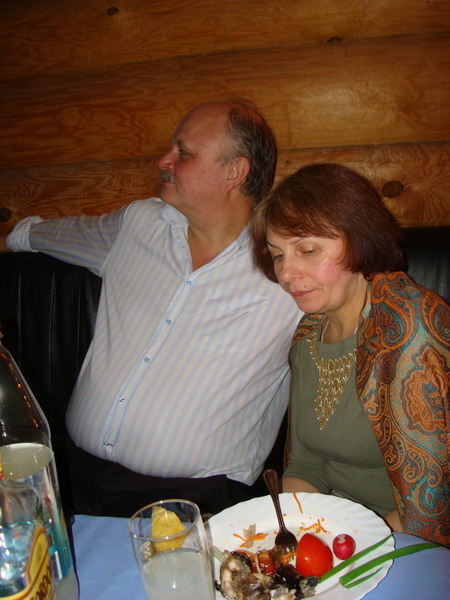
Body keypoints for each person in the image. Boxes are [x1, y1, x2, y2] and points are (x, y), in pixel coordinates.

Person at [0, 99, 301, 517]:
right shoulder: (138, 224)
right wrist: (13, 237)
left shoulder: (290, 268)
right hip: (72, 478)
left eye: (184, 152)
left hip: (198, 503)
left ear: (234, 172)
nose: (164, 161)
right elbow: (41, 235)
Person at [251, 162, 449, 547]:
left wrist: (343, 549)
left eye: (308, 250)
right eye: (277, 255)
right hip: (335, 533)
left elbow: (428, 508)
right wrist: (298, 533)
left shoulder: (409, 328)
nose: (286, 274)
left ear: (359, 240)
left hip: (400, 541)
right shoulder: (308, 336)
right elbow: (305, 464)